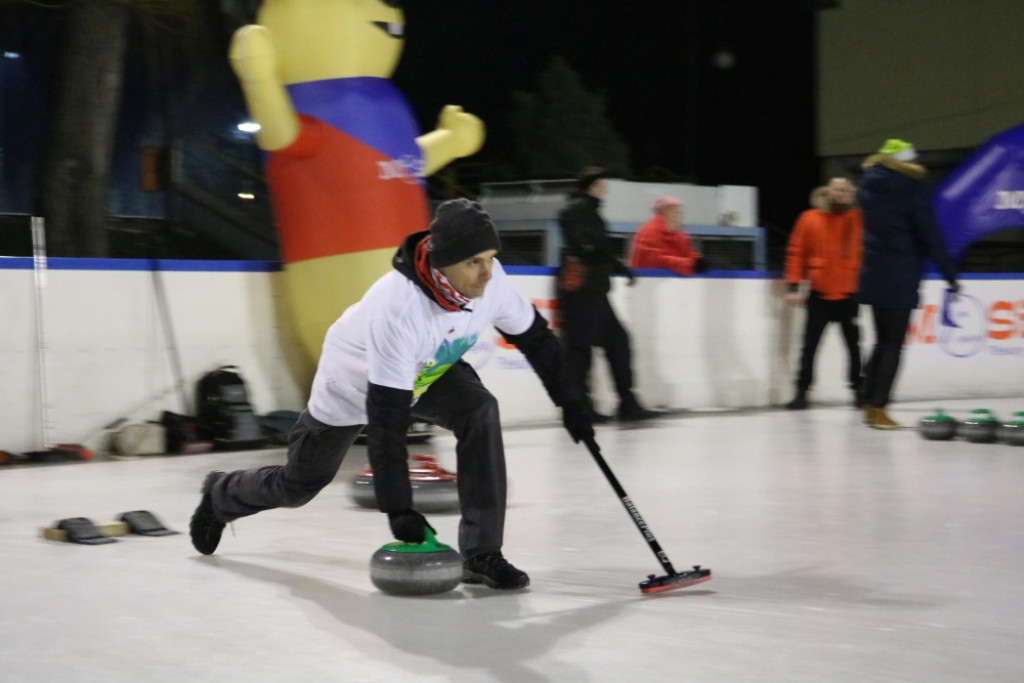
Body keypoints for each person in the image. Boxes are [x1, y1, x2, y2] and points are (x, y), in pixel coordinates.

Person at [188, 198, 595, 590]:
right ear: (443, 262)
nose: (488, 272)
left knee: (479, 409)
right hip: (351, 387)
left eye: (490, 257)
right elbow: (386, 422)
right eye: (475, 262)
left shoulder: (491, 282)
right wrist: (399, 509)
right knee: (299, 485)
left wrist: (571, 402)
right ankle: (222, 492)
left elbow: (538, 339)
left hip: (428, 371)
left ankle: (482, 554)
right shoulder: (399, 309)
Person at [857, 139, 959, 429]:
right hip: (900, 274)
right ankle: (879, 408)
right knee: (892, 345)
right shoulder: (909, 189)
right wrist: (950, 274)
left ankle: (866, 400)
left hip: (873, 272)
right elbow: (931, 235)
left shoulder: (867, 186)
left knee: (880, 340)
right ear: (906, 161)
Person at [556, 166, 656, 423]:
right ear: (592, 185)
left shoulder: (592, 212)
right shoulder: (574, 210)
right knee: (580, 351)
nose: (606, 189)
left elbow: (599, 249)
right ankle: (580, 408)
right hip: (580, 291)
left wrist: (619, 266)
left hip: (596, 291)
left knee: (618, 342)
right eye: (602, 184)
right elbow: (585, 246)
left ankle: (627, 402)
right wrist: (601, 256)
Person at [782, 177, 863, 410]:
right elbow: (796, 252)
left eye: (846, 190)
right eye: (837, 189)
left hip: (849, 293)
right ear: (827, 192)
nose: (841, 193)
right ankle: (801, 391)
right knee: (809, 346)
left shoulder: (859, 219)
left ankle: (859, 390)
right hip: (819, 294)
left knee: (854, 346)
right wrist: (793, 286)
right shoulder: (809, 218)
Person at [628, 196, 708, 276]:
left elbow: (687, 254)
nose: (679, 217)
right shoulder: (648, 231)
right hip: (647, 280)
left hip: (672, 282)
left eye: (680, 213)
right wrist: (690, 264)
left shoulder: (679, 234)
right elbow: (654, 260)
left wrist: (697, 260)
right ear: (664, 213)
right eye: (676, 212)